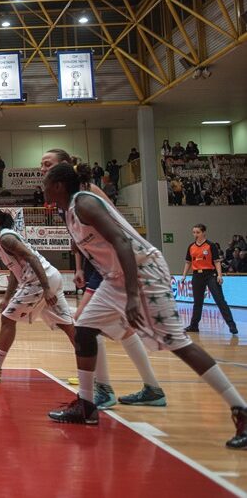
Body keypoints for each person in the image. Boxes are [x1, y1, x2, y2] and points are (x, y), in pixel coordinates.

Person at [44, 162, 247, 449]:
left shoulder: (84, 203)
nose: (42, 187)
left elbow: (122, 242)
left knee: (178, 343)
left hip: (142, 271)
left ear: (58, 186)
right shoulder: (67, 213)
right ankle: (86, 406)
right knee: (85, 329)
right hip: (115, 276)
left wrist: (131, 295)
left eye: (45, 182)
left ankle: (241, 409)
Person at [40, 147, 161, 408]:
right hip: (96, 263)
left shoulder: (87, 192)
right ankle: (152, 387)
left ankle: (102, 388)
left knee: (85, 322)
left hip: (111, 263)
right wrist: (79, 268)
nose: (42, 168)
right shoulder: (63, 198)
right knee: (121, 328)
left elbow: (115, 225)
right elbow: (76, 238)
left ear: (65, 165)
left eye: (48, 164)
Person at [0, 207, 77, 381]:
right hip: (51, 276)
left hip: (39, 281)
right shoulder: (3, 239)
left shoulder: (6, 238)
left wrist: (46, 288)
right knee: (67, 325)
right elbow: (14, 272)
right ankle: (89, 374)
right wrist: (7, 298)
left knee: (7, 319)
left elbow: (32, 258)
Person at [183, 224, 237, 334]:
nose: (195, 234)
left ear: (203, 233)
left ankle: (232, 325)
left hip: (210, 275)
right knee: (197, 302)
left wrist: (219, 275)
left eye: (198, 232)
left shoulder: (210, 245)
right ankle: (194, 326)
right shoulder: (191, 247)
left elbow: (217, 262)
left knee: (220, 300)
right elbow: (188, 262)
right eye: (194, 232)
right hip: (197, 276)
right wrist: (184, 275)